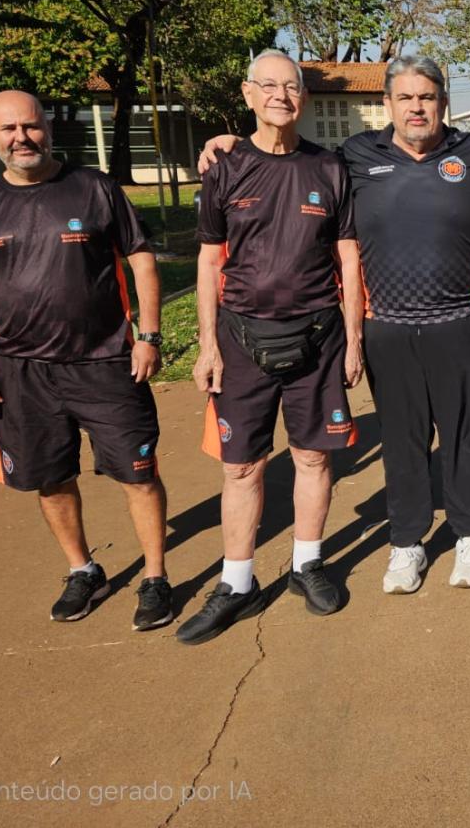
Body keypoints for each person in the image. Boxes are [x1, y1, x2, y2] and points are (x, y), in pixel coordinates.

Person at [197, 56, 470, 596]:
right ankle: (408, 541)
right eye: (405, 98)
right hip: (388, 325)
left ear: (442, 102)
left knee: (466, 436)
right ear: (388, 105)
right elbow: (288, 158)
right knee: (403, 441)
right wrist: (228, 141)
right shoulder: (353, 156)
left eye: (426, 97)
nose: (416, 107)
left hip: (461, 321)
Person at [0, 90, 171, 629]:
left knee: (137, 475)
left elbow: (140, 259)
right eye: (8, 129)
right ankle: (83, 570)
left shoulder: (93, 188)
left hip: (106, 362)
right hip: (21, 372)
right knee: (50, 479)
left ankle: (156, 579)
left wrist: (150, 335)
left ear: (47, 126)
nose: (21, 137)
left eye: (30, 125)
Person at [177, 50, 363, 645]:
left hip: (318, 336)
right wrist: (207, 346)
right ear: (249, 93)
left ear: (303, 98)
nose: (282, 95)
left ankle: (308, 563)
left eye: (292, 86)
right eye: (270, 85)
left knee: (312, 456)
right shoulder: (225, 168)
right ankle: (237, 581)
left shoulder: (329, 169)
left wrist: (354, 338)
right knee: (242, 465)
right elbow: (209, 263)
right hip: (240, 338)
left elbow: (349, 259)